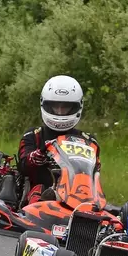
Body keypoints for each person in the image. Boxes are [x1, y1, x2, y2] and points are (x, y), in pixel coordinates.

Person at [17, 75, 101, 204]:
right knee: (40, 191)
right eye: (55, 107)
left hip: (77, 193)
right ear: (44, 104)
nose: (60, 112)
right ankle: (42, 204)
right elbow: (23, 166)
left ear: (77, 107)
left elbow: (94, 173)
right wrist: (37, 156)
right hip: (40, 191)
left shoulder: (88, 141)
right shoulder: (33, 135)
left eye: (66, 107)